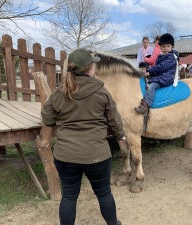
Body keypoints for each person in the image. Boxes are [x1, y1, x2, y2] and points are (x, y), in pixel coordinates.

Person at [41, 47, 125, 225]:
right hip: (97, 155)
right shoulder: (102, 92)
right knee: (104, 193)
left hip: (65, 155)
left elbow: (47, 119)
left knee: (69, 196)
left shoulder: (59, 92)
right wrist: (120, 136)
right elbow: (115, 121)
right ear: (90, 69)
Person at [134, 33, 179, 114]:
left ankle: (146, 105)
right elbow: (157, 67)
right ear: (160, 47)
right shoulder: (161, 56)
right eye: (163, 46)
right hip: (161, 76)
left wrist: (149, 72)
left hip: (167, 77)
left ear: (172, 47)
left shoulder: (171, 57)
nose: (166, 48)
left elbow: (161, 67)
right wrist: (150, 73)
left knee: (152, 86)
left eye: (168, 46)